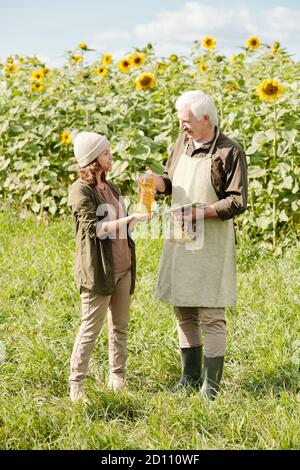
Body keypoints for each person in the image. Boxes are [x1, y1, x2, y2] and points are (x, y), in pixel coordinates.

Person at [150, 90, 248, 400]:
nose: (183, 127)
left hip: (211, 242)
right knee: (183, 308)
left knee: (210, 312)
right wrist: (158, 183)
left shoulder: (230, 151)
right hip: (181, 238)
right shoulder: (182, 144)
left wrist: (201, 211)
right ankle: (189, 376)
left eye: (187, 121)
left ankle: (211, 386)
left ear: (206, 118)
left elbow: (238, 201)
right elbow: (170, 180)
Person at [67, 131, 148, 402]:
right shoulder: (80, 191)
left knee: (120, 327)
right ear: (92, 160)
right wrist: (128, 220)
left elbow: (122, 224)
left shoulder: (110, 187)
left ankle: (118, 378)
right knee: (90, 328)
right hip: (99, 272)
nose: (111, 155)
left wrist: (139, 217)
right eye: (105, 153)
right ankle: (76, 385)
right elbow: (96, 229)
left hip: (123, 268)